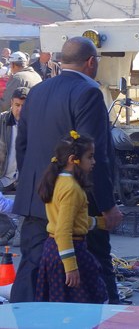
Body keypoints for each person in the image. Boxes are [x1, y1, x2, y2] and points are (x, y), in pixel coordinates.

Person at [11, 37, 123, 304]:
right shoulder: (88, 91)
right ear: (91, 62)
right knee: (95, 266)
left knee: (33, 268)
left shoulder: (38, 90)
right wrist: (107, 206)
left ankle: (22, 319)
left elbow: (23, 145)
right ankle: (108, 319)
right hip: (76, 199)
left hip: (38, 197)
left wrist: (36, 186)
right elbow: (94, 155)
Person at [35, 132, 108, 304]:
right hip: (69, 252)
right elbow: (63, 231)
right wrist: (71, 268)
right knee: (82, 307)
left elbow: (74, 221)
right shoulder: (72, 188)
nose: (94, 162)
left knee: (59, 307)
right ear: (73, 159)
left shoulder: (59, 181)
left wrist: (101, 223)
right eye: (90, 157)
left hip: (53, 250)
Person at [0, 87, 27, 191]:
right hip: (3, 179)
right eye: (17, 105)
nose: (20, 109)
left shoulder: (33, 124)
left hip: (23, 182)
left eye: (23, 106)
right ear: (11, 103)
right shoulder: (2, 120)